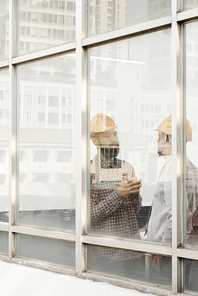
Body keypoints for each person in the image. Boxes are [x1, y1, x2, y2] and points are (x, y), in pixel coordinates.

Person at [89, 113, 143, 279]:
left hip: (134, 252)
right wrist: (118, 195)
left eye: (115, 134)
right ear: (94, 140)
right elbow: (89, 217)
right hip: (108, 256)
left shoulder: (127, 167)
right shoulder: (89, 171)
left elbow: (134, 211)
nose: (113, 139)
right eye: (107, 135)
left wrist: (134, 196)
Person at [146, 114, 198, 285]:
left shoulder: (173, 168)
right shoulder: (189, 166)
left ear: (167, 138)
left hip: (168, 251)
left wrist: (165, 247)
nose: (157, 141)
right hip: (179, 245)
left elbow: (175, 213)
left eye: (158, 136)